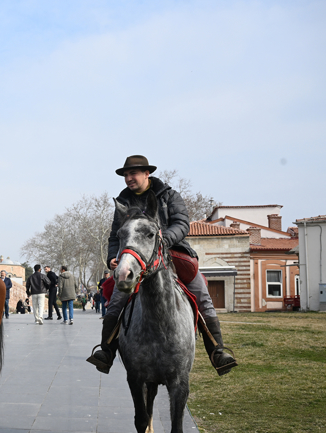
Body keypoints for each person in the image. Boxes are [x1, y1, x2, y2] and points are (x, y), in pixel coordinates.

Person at [86, 155, 238, 376]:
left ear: (147, 174)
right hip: (137, 259)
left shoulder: (169, 195)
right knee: (117, 298)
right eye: (126, 175)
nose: (129, 178)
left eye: (133, 173)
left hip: (171, 252)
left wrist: (164, 240)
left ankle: (217, 351)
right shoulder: (123, 203)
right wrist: (112, 256)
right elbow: (114, 236)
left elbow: (182, 223)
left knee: (201, 293)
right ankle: (106, 351)